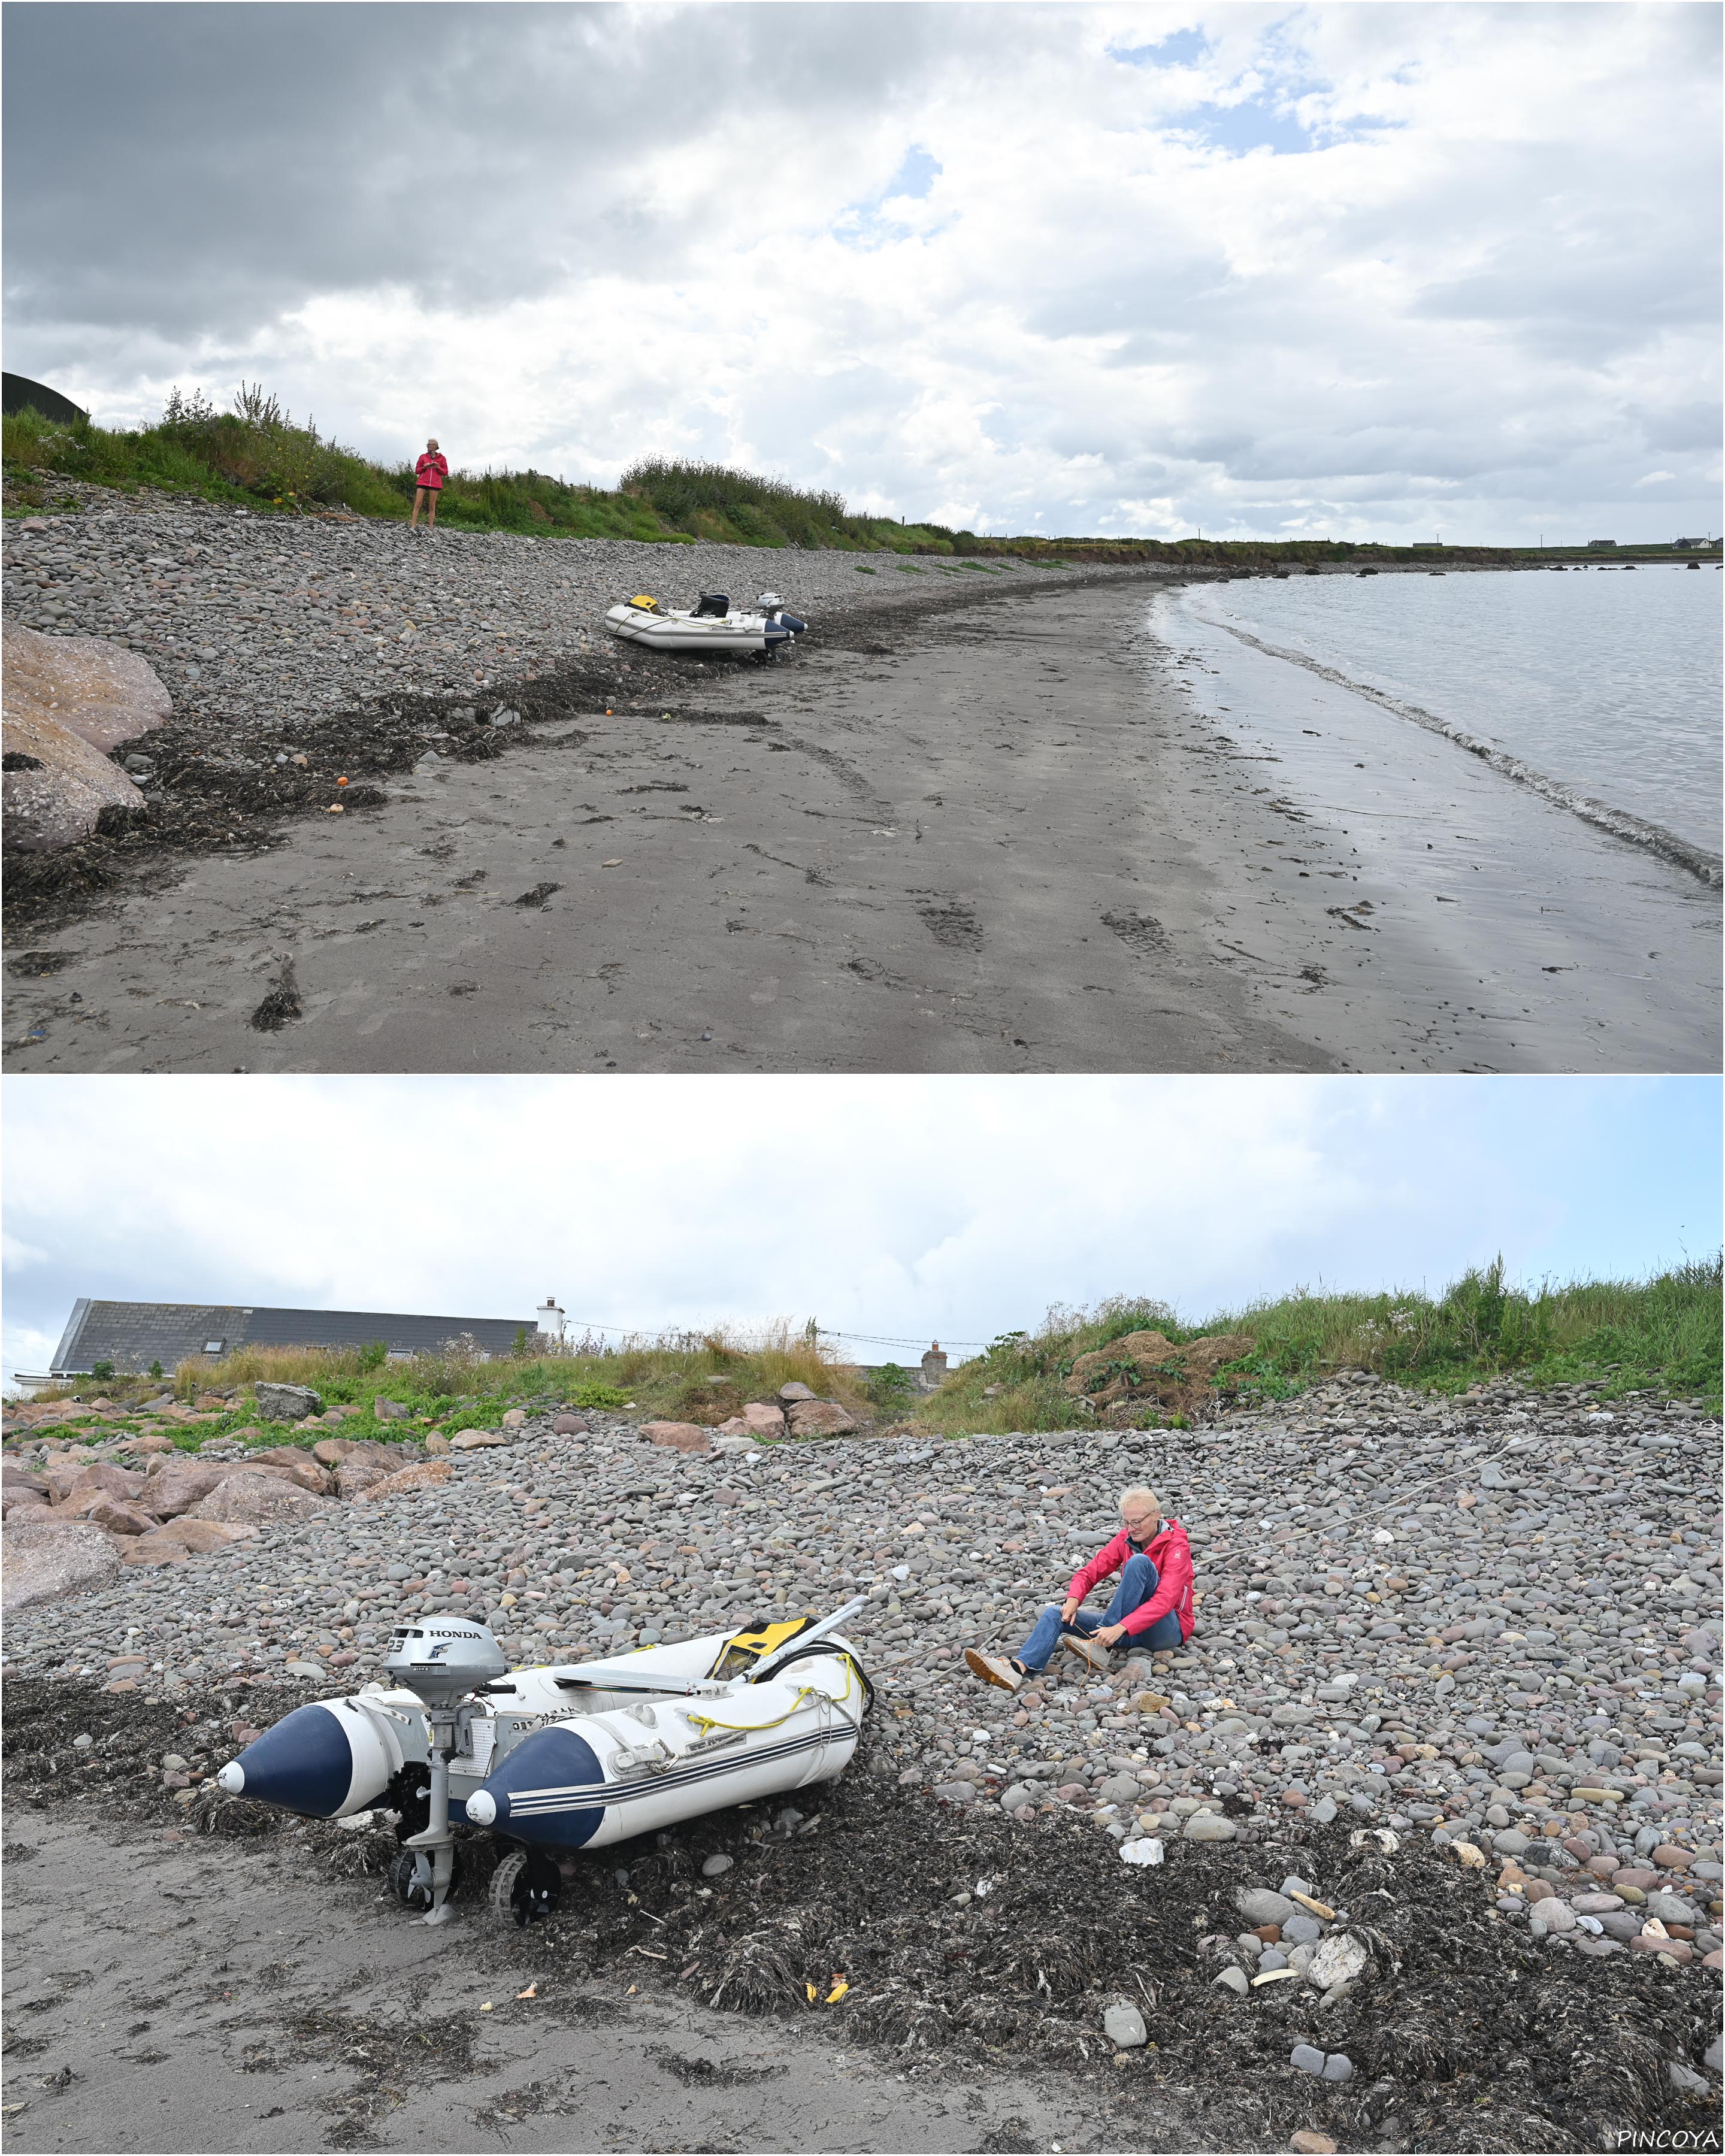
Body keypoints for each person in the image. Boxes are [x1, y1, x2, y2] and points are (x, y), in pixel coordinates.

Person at [965, 1483, 1194, 1692]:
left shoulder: (1177, 1546)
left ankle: (1100, 1647)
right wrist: (1074, 1599)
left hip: (1165, 1632)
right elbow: (1089, 1573)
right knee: (1055, 1614)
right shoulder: (1125, 1538)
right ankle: (1018, 1669)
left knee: (1139, 1562)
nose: (1131, 1528)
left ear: (1156, 1516)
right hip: (1124, 1631)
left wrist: (1120, 1626)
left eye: (1137, 1522)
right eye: (1126, 1522)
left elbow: (1165, 1601)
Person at [411, 438, 449, 529]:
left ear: (436, 447)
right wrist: (424, 468)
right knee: (417, 504)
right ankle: (412, 526)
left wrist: (438, 467)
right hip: (423, 482)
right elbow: (417, 471)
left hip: (435, 484)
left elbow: (445, 472)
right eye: (427, 444)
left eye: (430, 444)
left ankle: (431, 528)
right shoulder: (423, 457)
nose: (428, 446)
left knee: (432, 506)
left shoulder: (442, 458)